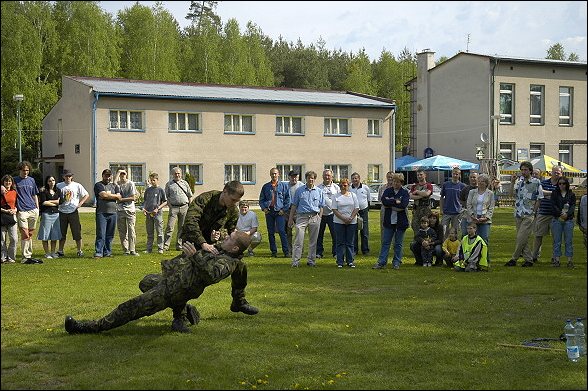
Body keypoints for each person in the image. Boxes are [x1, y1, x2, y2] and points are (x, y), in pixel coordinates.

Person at [64, 231, 258, 334]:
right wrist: (210, 242)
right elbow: (212, 254)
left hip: (175, 289)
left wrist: (195, 256)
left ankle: (90, 327)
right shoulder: (223, 251)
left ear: (234, 248)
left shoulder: (228, 263)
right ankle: (182, 312)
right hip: (172, 279)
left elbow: (211, 275)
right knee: (146, 281)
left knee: (131, 307)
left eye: (230, 237)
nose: (226, 237)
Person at [181, 180, 244, 255]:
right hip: (193, 239)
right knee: (188, 263)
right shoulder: (204, 199)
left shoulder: (233, 210)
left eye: (237, 201)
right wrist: (202, 243)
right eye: (233, 200)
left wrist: (219, 235)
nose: (234, 203)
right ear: (225, 191)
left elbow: (230, 233)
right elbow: (190, 222)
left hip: (213, 244)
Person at [504, 161, 543, 267]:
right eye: (522, 170)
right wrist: (512, 182)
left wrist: (534, 211)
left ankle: (514, 258)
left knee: (520, 237)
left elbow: (539, 198)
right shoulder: (519, 182)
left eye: (525, 170)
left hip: (528, 214)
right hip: (518, 213)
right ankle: (529, 260)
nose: (523, 172)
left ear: (530, 170)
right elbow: (511, 195)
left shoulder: (536, 182)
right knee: (523, 238)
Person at [373, 173, 410, 270]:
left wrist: (390, 203)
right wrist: (395, 201)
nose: (395, 183)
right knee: (386, 242)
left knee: (398, 243)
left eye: (397, 182)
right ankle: (381, 262)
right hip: (389, 221)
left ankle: (396, 262)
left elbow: (403, 206)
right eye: (394, 181)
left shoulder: (404, 192)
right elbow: (384, 202)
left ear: (401, 183)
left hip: (401, 222)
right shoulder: (388, 191)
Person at [288, 171, 324, 267]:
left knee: (313, 241)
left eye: (312, 178)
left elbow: (321, 206)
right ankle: (295, 262)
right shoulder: (299, 190)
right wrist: (290, 219)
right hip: (302, 217)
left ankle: (311, 261)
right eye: (309, 178)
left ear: (314, 179)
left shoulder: (319, 191)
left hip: (314, 217)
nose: (310, 180)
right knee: (298, 240)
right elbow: (294, 205)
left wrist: (319, 217)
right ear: (306, 179)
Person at [531, 165, 562, 263]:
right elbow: (540, 192)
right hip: (543, 213)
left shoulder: (562, 184)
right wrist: (553, 194)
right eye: (555, 172)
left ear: (561, 174)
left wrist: (548, 194)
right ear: (551, 172)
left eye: (558, 172)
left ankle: (555, 257)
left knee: (556, 237)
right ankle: (534, 256)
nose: (556, 174)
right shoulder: (543, 182)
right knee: (538, 235)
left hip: (556, 215)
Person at [56, 169, 89, 258]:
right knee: (62, 233)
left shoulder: (77, 185)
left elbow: (86, 195)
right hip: (62, 211)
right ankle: (60, 250)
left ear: (72, 176)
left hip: (73, 211)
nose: (68, 178)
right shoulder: (59, 186)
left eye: (69, 176)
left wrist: (80, 204)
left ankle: (79, 250)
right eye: (66, 176)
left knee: (76, 232)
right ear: (63, 176)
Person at [259, 168, 290, 258]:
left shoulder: (284, 186)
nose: (274, 175)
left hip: (279, 212)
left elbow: (288, 199)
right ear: (270, 175)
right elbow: (261, 199)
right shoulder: (266, 186)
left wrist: (283, 210)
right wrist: (264, 208)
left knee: (281, 231)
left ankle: (286, 252)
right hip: (269, 212)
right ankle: (274, 251)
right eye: (272, 174)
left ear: (278, 174)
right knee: (270, 232)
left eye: (275, 174)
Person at [13, 161, 40, 264]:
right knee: (24, 233)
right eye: (24, 170)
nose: (26, 172)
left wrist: (37, 208)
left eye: (27, 170)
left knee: (30, 234)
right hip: (22, 211)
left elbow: (34, 195)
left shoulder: (31, 180)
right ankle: (25, 256)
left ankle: (29, 255)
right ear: (20, 170)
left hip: (33, 209)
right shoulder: (15, 180)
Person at [466, 173, 495, 264]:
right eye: (479, 181)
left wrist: (486, 217)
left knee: (484, 240)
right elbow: (469, 204)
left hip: (484, 220)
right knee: (473, 240)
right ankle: (473, 260)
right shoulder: (472, 192)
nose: (480, 183)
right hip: (473, 218)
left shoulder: (490, 193)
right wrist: (472, 215)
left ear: (486, 183)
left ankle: (485, 260)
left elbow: (491, 207)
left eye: (483, 181)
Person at [164, 167, 193, 252]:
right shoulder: (169, 184)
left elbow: (189, 195)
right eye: (175, 173)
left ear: (181, 174)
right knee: (170, 227)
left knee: (182, 227)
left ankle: (179, 245)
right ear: (172, 174)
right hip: (174, 208)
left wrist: (189, 206)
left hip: (184, 207)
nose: (177, 175)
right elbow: (167, 197)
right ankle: (166, 245)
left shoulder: (185, 183)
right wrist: (170, 206)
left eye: (178, 173)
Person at [93, 169, 121, 258]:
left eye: (109, 176)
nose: (108, 177)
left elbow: (119, 197)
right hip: (102, 213)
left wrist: (108, 196)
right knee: (101, 233)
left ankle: (107, 252)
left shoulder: (114, 186)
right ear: (103, 176)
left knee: (110, 234)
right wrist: (113, 196)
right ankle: (98, 252)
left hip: (113, 213)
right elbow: (103, 195)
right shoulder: (98, 185)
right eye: (106, 175)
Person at [332, 178, 359, 268]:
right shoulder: (336, 196)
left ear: (348, 186)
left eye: (345, 185)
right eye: (342, 185)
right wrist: (343, 218)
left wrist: (351, 218)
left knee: (350, 242)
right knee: (340, 242)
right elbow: (334, 209)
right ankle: (340, 261)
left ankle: (350, 261)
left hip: (352, 222)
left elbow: (356, 208)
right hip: (339, 222)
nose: (343, 187)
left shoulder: (353, 195)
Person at [550, 176, 576, 268]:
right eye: (559, 183)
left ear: (567, 184)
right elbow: (553, 205)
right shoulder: (554, 193)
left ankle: (569, 260)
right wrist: (560, 213)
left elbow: (573, 206)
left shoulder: (571, 194)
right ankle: (557, 260)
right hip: (557, 219)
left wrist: (567, 214)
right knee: (557, 241)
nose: (561, 185)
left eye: (563, 183)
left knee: (568, 241)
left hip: (568, 220)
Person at [316, 169, 340, 259]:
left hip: (333, 214)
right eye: (325, 175)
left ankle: (336, 252)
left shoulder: (336, 188)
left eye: (328, 175)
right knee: (319, 234)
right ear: (322, 176)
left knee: (335, 234)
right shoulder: (318, 188)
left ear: (332, 177)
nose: (327, 177)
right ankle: (319, 252)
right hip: (321, 214)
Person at [142, 172, 167, 254]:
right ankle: (149, 249)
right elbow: (145, 201)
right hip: (149, 214)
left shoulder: (160, 190)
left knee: (159, 232)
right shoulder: (148, 190)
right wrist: (144, 209)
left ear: (157, 180)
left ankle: (160, 248)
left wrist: (158, 208)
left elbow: (165, 202)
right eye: (151, 180)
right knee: (149, 233)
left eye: (154, 180)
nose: (152, 182)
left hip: (157, 214)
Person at [37, 176, 62, 259]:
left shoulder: (58, 191)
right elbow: (43, 203)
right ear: (47, 182)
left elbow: (60, 201)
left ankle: (53, 252)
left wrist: (50, 201)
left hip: (56, 214)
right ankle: (47, 253)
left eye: (53, 180)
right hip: (46, 214)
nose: (52, 182)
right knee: (46, 234)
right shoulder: (44, 191)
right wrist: (55, 203)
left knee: (54, 234)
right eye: (50, 181)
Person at [116, 169, 139, 256]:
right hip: (120, 210)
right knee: (122, 231)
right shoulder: (117, 184)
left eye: (124, 174)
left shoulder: (130, 184)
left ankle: (132, 249)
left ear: (127, 174)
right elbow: (114, 183)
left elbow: (133, 197)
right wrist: (117, 173)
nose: (122, 175)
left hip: (130, 210)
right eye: (120, 174)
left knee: (131, 230)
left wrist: (121, 199)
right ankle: (126, 250)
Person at [439, 167, 466, 240]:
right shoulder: (446, 184)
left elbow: (465, 200)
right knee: (443, 231)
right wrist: (441, 209)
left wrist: (463, 209)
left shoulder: (462, 186)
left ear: (459, 175)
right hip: (446, 212)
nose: (455, 175)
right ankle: (444, 248)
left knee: (455, 232)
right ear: (451, 174)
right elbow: (441, 197)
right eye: (454, 174)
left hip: (457, 213)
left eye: (457, 174)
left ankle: (455, 249)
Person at [284, 170, 304, 255]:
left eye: (295, 176)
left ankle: (299, 250)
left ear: (298, 177)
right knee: (288, 232)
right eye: (292, 176)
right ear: (289, 177)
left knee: (299, 232)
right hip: (288, 211)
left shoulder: (302, 186)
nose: (294, 178)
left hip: (299, 212)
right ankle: (289, 250)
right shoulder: (285, 186)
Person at [350, 172, 370, 255]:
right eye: (353, 178)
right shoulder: (349, 188)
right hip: (353, 211)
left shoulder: (365, 188)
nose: (355, 180)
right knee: (354, 231)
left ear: (359, 178)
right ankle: (354, 250)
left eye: (356, 178)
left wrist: (366, 208)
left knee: (364, 231)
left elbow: (368, 199)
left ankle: (365, 250)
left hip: (363, 211)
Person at [409, 170, 433, 237]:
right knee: (415, 227)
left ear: (425, 175)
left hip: (426, 210)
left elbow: (427, 193)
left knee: (427, 227)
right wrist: (422, 195)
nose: (419, 176)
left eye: (421, 174)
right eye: (418, 175)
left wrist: (417, 192)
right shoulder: (414, 186)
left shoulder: (429, 185)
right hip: (417, 210)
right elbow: (411, 196)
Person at [1, 175, 18, 264]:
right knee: (2, 239)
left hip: (12, 217)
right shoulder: (1, 192)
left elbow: (17, 204)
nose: (8, 183)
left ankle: (11, 257)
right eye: (6, 181)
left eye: (10, 181)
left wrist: (15, 209)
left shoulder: (14, 192)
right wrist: (6, 211)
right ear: (3, 182)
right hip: (2, 216)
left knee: (14, 238)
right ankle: (3, 257)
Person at [459, 171, 478, 238]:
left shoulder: (480, 189)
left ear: (477, 178)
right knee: (464, 232)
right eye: (471, 177)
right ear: (469, 178)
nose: (473, 179)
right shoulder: (465, 189)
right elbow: (461, 200)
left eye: (474, 177)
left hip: (477, 214)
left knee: (475, 233)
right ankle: (464, 247)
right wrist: (467, 205)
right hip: (466, 214)